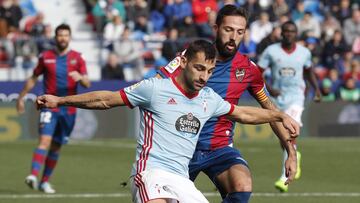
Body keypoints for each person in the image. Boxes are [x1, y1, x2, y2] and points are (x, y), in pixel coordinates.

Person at [36, 39, 300, 203]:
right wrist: (60, 101)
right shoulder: (155, 88)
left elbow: (244, 113)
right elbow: (106, 99)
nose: (204, 77)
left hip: (182, 180)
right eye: (199, 68)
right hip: (149, 174)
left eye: (209, 71)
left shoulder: (208, 97)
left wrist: (279, 115)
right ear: (183, 62)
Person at [157, 5, 297, 202]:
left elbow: (270, 110)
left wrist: (291, 152)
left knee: (242, 183)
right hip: (181, 150)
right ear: (216, 29)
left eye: (240, 32)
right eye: (228, 29)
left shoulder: (248, 69)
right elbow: (155, 86)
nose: (233, 37)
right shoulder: (191, 56)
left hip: (219, 148)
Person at [16, 24, 91, 194]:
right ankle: (33, 175)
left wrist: (80, 78)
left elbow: (87, 83)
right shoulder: (45, 57)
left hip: (69, 109)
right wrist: (21, 97)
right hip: (49, 106)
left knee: (56, 146)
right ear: (55, 37)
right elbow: (33, 77)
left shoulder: (78, 58)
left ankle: (44, 182)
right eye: (60, 35)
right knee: (44, 141)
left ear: (69, 37)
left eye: (66, 35)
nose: (63, 38)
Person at [258, 20, 321, 192]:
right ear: (281, 33)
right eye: (285, 31)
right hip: (278, 98)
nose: (288, 34)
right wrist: (270, 89)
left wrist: (316, 90)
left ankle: (284, 176)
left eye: (292, 31)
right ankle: (295, 155)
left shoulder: (304, 52)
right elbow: (258, 72)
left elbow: (309, 71)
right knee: (282, 136)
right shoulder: (271, 51)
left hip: (296, 97)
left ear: (296, 33)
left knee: (290, 132)